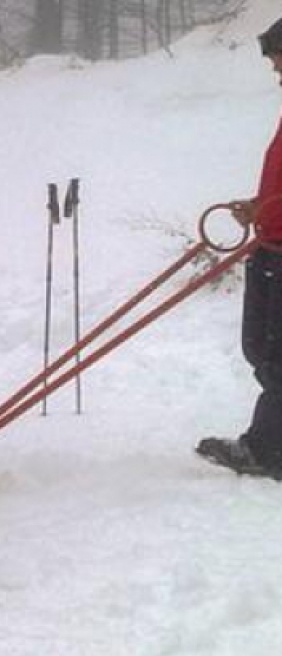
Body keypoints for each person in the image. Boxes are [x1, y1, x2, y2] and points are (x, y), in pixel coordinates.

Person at [197, 18, 282, 479]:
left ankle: (268, 450)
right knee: (259, 348)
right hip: (271, 245)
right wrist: (257, 206)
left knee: (278, 354)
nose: (273, 67)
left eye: (276, 56)